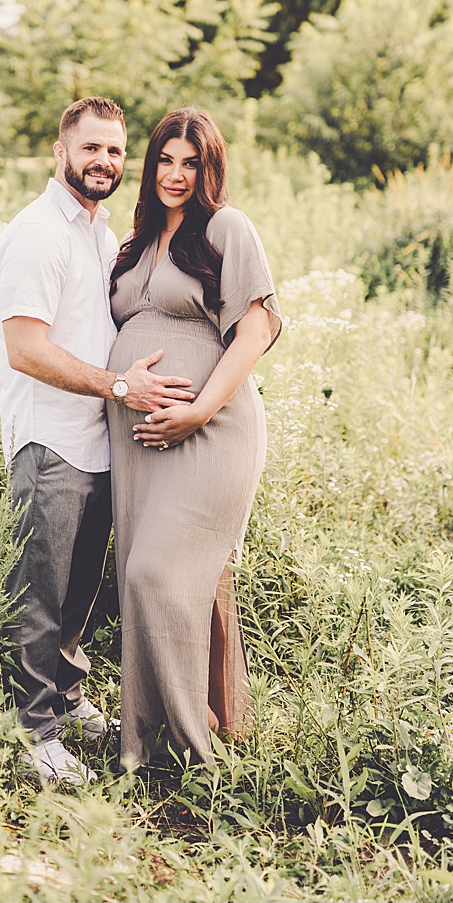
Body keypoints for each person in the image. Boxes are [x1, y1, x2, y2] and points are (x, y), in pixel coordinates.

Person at [0, 96, 196, 788]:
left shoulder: (101, 233)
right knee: (39, 595)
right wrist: (118, 387)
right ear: (62, 151)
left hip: (102, 445)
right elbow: (25, 348)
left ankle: (67, 699)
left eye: (114, 150)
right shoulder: (37, 233)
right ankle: (33, 735)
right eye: (90, 148)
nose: (104, 161)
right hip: (50, 443)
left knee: (78, 593)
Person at [106, 107, 281, 769]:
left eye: (190, 162)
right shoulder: (138, 240)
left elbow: (256, 331)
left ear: (209, 170)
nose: (175, 174)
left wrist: (198, 410)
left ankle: (191, 753)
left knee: (155, 571)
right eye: (164, 160)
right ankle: (173, 732)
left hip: (210, 430)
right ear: (148, 167)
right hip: (141, 440)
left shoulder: (226, 229)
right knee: (158, 578)